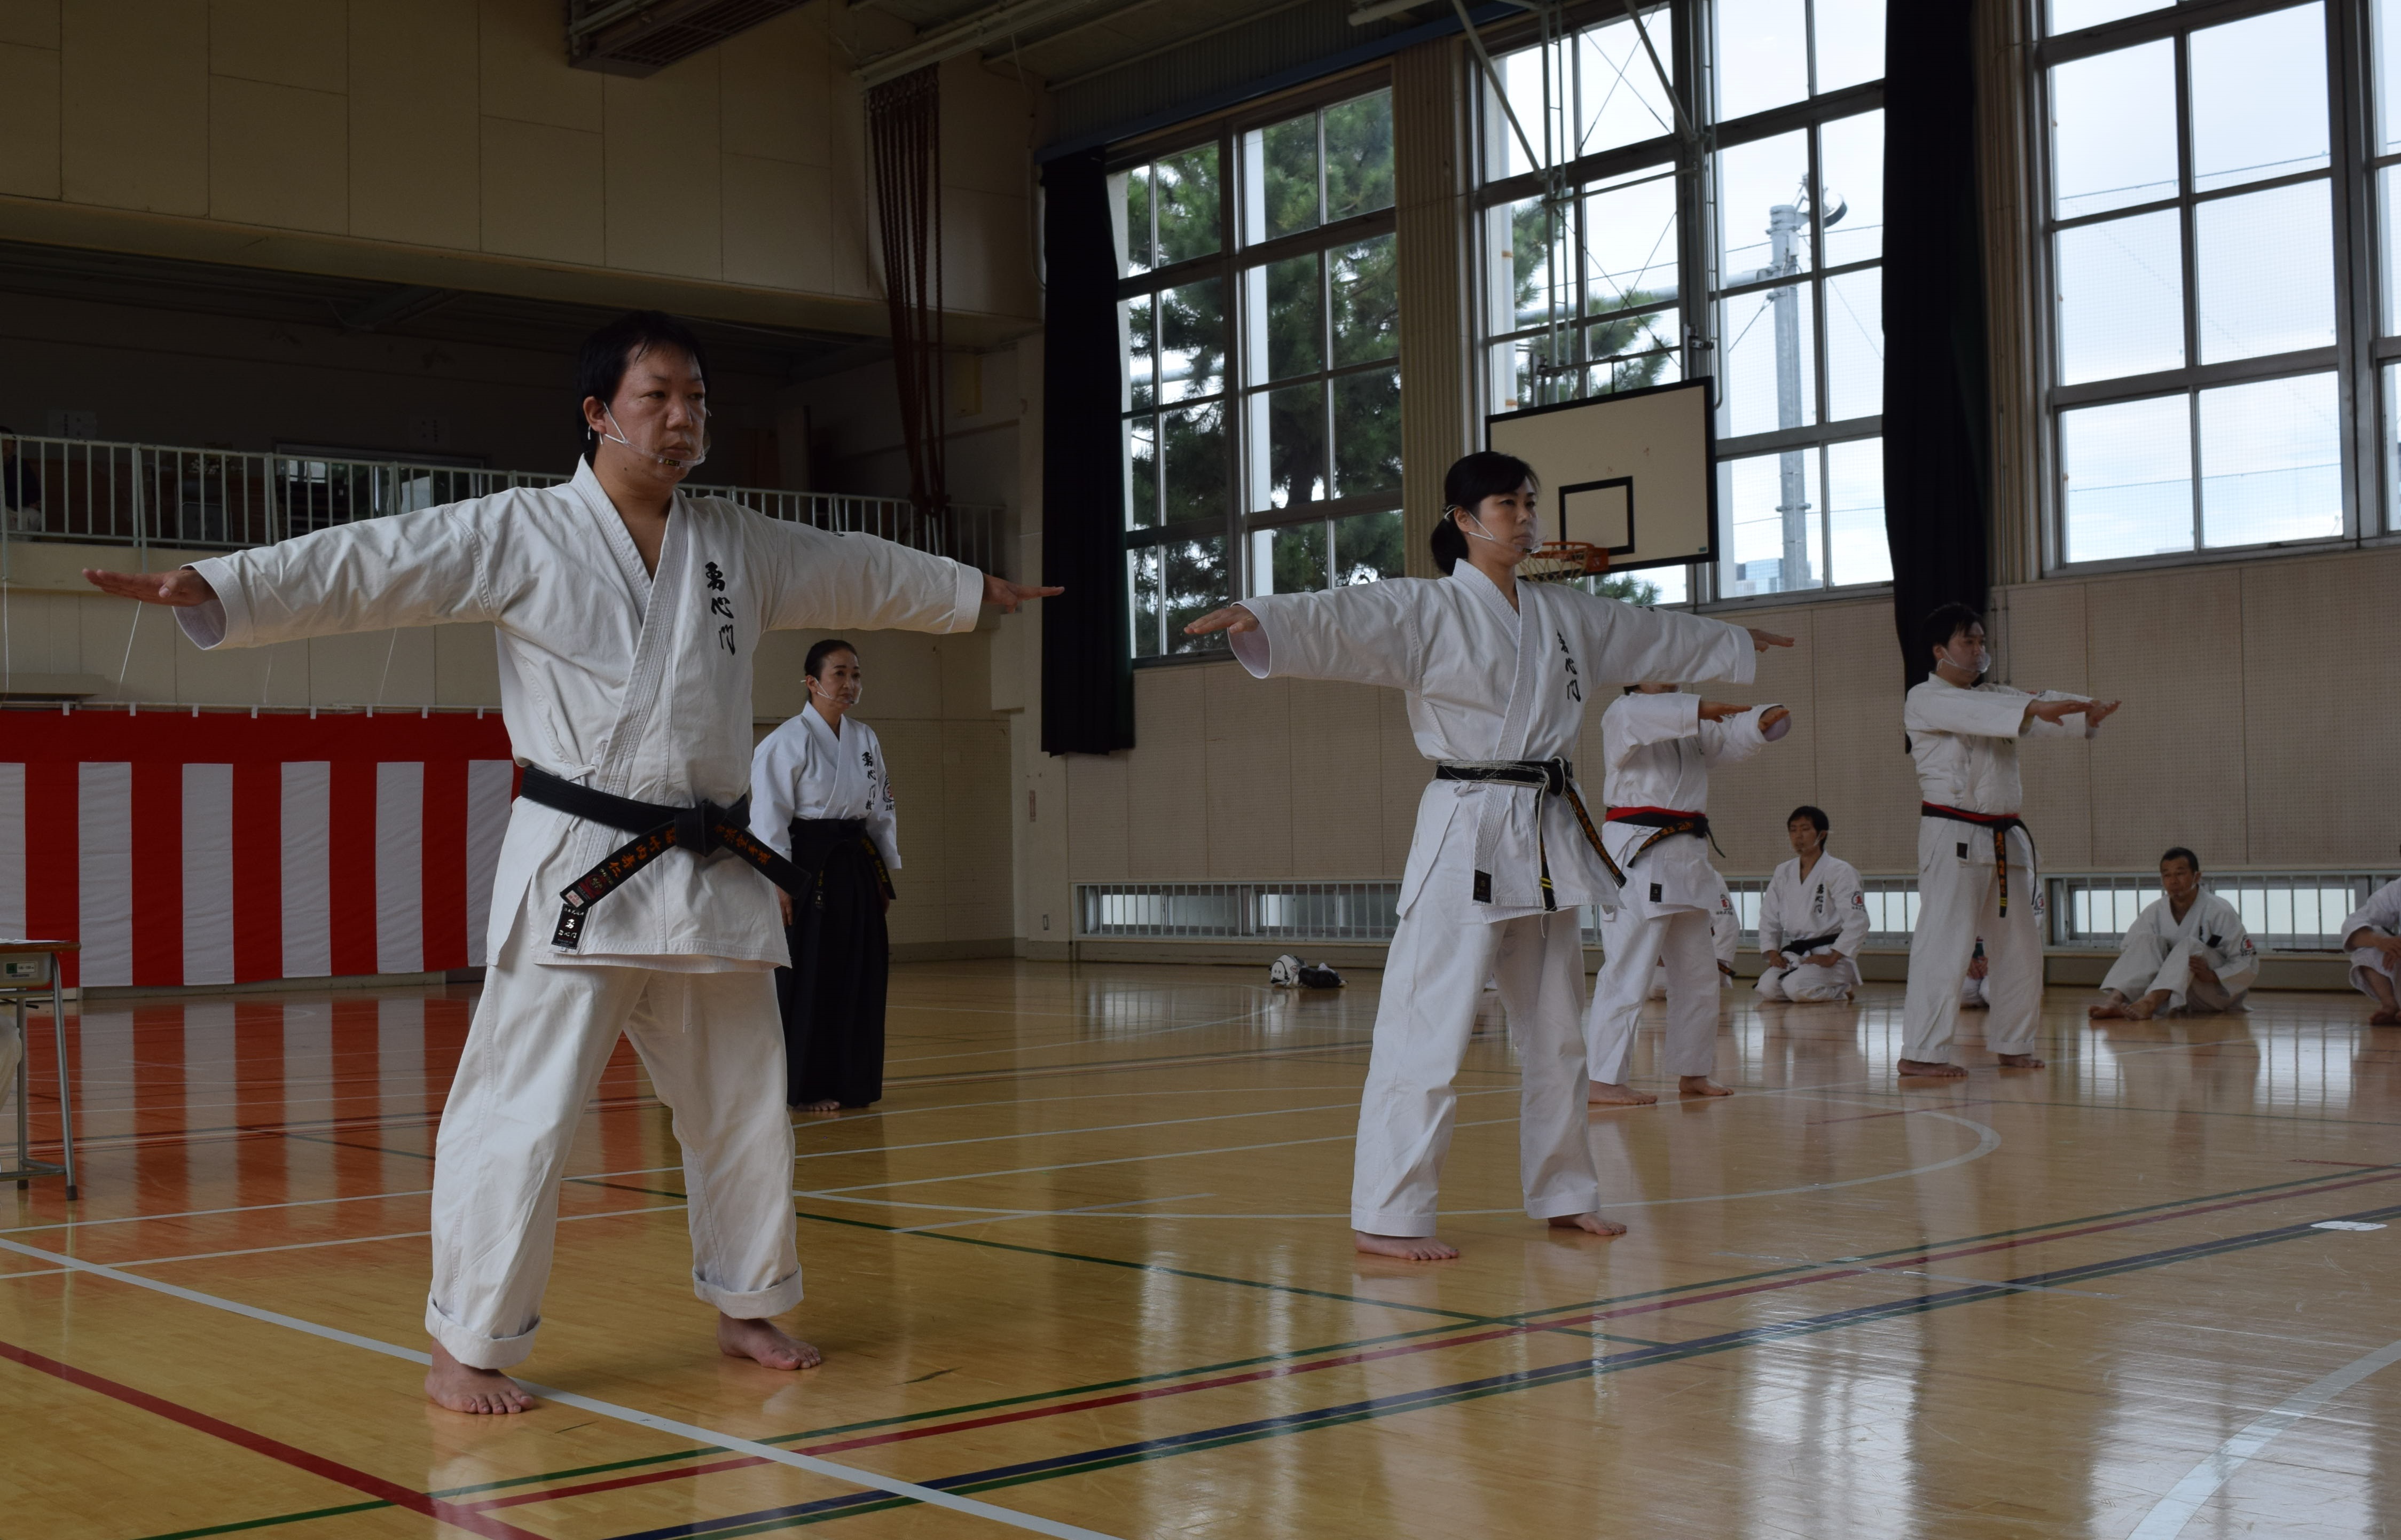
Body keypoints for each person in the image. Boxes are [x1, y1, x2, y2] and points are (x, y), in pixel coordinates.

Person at [82, 310, 1058, 1414]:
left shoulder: (736, 542)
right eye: (658, 397)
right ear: (598, 413)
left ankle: (747, 1298)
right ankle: (466, 1341)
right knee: (523, 1110)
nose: (683, 418)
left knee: (743, 1104)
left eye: (697, 398)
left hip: (712, 867)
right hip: (585, 869)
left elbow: (858, 568)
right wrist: (225, 585)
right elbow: (378, 561)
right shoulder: (523, 530)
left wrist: (967, 592)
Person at [1182, 451, 1791, 1260]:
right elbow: (1343, 616)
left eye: (1530, 503)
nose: (1527, 517)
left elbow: (1648, 632)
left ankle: (1566, 1192)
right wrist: (1263, 616)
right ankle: (1389, 1213)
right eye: (1509, 504)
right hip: (1466, 822)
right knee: (1428, 1023)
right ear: (1464, 520)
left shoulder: (1564, 615)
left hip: (1544, 829)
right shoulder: (1428, 609)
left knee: (1558, 1029)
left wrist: (1730, 641)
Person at [1898, 603, 2121, 1078]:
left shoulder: (1998, 697)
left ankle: (2014, 1043)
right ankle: (1921, 1052)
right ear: (1940, 651)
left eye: (1982, 641)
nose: (1979, 650)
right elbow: (1993, 711)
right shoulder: (1924, 697)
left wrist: (2086, 711)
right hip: (1952, 835)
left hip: (2005, 837)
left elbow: (2036, 707)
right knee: (1945, 947)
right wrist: (2033, 706)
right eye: (1968, 641)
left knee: (2021, 947)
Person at [1586, 685, 1791, 1104]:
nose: (1671, 676)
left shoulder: (1689, 722)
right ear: (1634, 675)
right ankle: (1602, 1079)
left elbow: (1726, 740)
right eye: (1659, 667)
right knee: (1627, 972)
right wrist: (1697, 709)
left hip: (1687, 859)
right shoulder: (1624, 712)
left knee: (1699, 977)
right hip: (1639, 855)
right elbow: (1673, 715)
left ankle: (1693, 1071)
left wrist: (1757, 723)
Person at [749, 639, 899, 1111]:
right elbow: (768, 817)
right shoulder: (785, 741)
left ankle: (851, 1081)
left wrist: (883, 872)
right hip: (805, 864)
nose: (850, 684)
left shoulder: (865, 739)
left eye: (856, 674)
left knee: (859, 970)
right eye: (840, 674)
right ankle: (804, 1087)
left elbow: (882, 809)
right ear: (812, 682)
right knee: (810, 972)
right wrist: (778, 880)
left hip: (855, 859)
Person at [2088, 848, 2258, 1020]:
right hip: (2176, 995)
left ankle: (2150, 1003)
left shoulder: (2220, 910)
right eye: (2167, 875)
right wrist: (2162, 965)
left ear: (2197, 877)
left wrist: (2212, 976)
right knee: (2145, 940)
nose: (2173, 881)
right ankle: (2115, 1001)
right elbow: (2131, 952)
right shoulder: (2155, 911)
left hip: (2213, 993)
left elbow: (2246, 961)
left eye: (2180, 874)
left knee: (2190, 945)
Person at [1754, 804, 1869, 1004]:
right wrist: (1773, 953)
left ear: (1822, 834)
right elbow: (1769, 917)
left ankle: (1842, 989)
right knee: (1767, 988)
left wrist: (1832, 957)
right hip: (1797, 953)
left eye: (1805, 829)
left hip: (1832, 954)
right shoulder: (1783, 872)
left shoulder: (1840, 871)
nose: (1798, 836)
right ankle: (1816, 984)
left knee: (1796, 988)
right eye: (1793, 830)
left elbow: (1858, 921)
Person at [1650, 879, 1737, 999]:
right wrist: (1656, 955)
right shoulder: (1650, 875)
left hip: (1704, 956)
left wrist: (1717, 958)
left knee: (1693, 989)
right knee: (1655, 988)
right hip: (1663, 955)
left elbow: (1727, 923)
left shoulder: (1710, 877)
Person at [2341, 871, 2401, 1026]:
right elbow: (2355, 922)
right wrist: (2381, 941)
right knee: (2368, 945)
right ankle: (2391, 1005)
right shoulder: (2398, 889)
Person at [1959, 940, 1989, 1008]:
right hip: (1972, 966)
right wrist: (1962, 959)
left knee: (1989, 992)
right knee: (1961, 992)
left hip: (2003, 964)